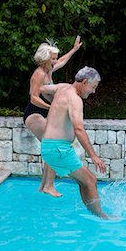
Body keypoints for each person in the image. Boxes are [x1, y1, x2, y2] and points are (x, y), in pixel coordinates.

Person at [39, 66, 109, 219]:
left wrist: (55, 105)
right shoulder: (75, 99)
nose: (93, 91)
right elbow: (78, 129)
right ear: (84, 82)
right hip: (58, 149)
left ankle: (94, 214)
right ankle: (102, 217)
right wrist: (94, 156)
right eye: (93, 87)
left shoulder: (62, 88)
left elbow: (42, 88)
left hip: (51, 146)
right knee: (91, 180)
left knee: (85, 181)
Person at [23, 36, 83, 197]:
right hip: (34, 114)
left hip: (45, 114)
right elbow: (33, 97)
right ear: (45, 59)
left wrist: (74, 49)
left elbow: (62, 61)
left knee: (53, 146)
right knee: (53, 145)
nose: (56, 61)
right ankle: (48, 186)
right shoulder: (39, 74)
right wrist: (52, 108)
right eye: (53, 59)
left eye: (55, 58)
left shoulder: (48, 70)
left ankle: (44, 186)